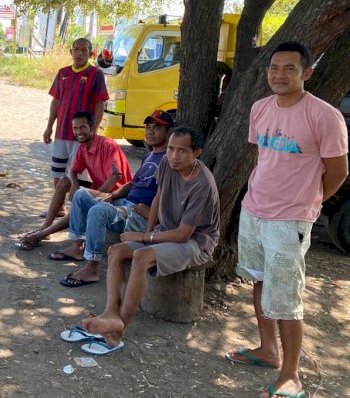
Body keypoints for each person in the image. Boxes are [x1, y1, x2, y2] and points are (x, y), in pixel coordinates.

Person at [224, 42, 347, 398]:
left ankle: (292, 376)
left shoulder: (324, 116)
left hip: (289, 220)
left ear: (306, 73)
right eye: (274, 68)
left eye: (289, 68)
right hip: (254, 210)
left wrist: (310, 201)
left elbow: (337, 171)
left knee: (288, 297)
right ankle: (267, 350)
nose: (279, 74)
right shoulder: (260, 108)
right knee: (261, 282)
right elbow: (264, 157)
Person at [79, 127, 219, 354]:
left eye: (182, 151)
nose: (174, 155)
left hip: (196, 243)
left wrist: (145, 237)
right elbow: (158, 199)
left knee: (141, 256)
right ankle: (110, 313)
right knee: (116, 251)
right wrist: (150, 231)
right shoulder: (166, 163)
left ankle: (117, 329)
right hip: (164, 231)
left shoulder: (202, 183)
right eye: (171, 148)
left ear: (197, 153)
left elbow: (184, 234)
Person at [57, 110, 174, 286]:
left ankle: (92, 267)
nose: (150, 131)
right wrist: (112, 196)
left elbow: (169, 196)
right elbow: (133, 183)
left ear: (169, 132)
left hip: (138, 213)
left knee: (99, 211)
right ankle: (77, 247)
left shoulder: (170, 161)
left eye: (157, 128)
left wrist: (152, 214)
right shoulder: (150, 155)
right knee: (81, 194)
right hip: (124, 203)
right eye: (148, 127)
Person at [18, 111, 132, 252]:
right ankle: (44, 227)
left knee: (81, 197)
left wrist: (95, 195)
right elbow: (73, 171)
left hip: (117, 196)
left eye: (82, 127)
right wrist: (75, 184)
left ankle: (41, 235)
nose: (78, 132)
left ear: (93, 127)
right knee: (65, 181)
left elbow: (116, 175)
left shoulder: (108, 145)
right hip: (100, 191)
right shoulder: (83, 147)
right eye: (75, 128)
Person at [43, 38, 109, 216]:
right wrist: (49, 127)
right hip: (61, 132)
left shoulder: (96, 75)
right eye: (76, 49)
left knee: (78, 174)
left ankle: (77, 210)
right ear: (71, 51)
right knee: (57, 171)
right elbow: (56, 100)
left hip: (81, 136)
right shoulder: (63, 73)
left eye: (84, 50)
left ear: (90, 53)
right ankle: (59, 207)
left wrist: (93, 128)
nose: (79, 53)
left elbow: (99, 104)